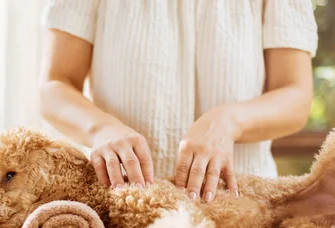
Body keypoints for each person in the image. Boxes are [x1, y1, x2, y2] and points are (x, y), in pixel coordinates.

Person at [39, 1, 318, 202]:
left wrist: (231, 121)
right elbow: (55, 85)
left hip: (243, 210)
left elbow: (295, 96)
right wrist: (100, 128)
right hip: (119, 208)